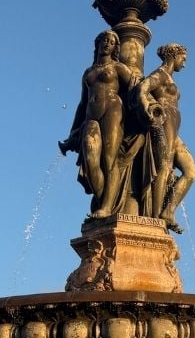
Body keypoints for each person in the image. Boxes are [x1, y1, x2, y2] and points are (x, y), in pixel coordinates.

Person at [59, 30, 140, 218]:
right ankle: (104, 198)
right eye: (104, 40)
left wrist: (146, 106)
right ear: (97, 44)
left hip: (112, 112)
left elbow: (135, 89)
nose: (107, 44)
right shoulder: (88, 72)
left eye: (111, 42)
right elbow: (82, 103)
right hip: (90, 117)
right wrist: (73, 132)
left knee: (109, 161)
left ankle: (106, 207)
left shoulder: (119, 68)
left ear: (115, 48)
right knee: (91, 158)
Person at [131, 42, 195, 233]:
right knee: (164, 167)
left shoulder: (169, 78)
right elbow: (141, 88)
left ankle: (168, 211)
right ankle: (155, 217)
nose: (184, 63)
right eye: (183, 59)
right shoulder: (161, 74)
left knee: (191, 171)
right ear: (173, 56)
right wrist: (147, 107)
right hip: (165, 122)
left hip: (174, 129)